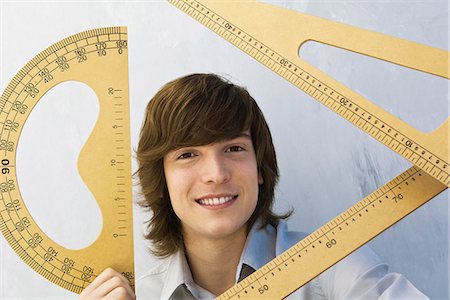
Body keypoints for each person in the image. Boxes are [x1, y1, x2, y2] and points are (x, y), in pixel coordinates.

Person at [80, 73, 428, 299]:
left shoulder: (331, 265)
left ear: (259, 168)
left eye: (233, 149)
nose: (216, 173)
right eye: (188, 155)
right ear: (162, 178)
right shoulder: (142, 294)